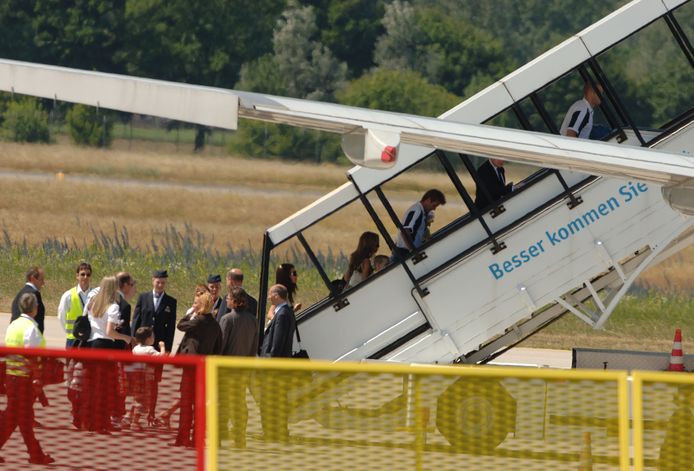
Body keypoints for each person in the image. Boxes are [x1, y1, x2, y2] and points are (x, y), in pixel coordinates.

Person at [0, 293, 54, 465]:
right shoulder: (31, 329)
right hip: (25, 380)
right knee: (18, 418)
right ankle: (36, 455)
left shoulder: (13, 325)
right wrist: (37, 379)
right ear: (35, 308)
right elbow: (31, 357)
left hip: (12, 377)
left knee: (19, 418)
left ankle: (36, 454)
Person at [173, 289, 222, 447]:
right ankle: (197, 438)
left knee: (186, 403)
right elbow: (218, 348)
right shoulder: (215, 325)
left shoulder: (197, 321)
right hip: (204, 367)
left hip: (191, 367)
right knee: (199, 405)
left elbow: (181, 325)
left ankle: (182, 438)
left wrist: (190, 313)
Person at [84, 276, 133, 434]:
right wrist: (126, 337)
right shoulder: (112, 307)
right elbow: (109, 332)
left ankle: (91, 421)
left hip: (92, 345)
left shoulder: (92, 302)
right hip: (105, 346)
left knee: (93, 387)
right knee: (104, 387)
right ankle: (102, 423)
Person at [218, 287, 259, 448]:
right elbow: (254, 347)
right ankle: (240, 438)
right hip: (243, 370)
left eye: (228, 298)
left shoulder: (227, 319)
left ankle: (219, 437)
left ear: (234, 301)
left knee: (222, 404)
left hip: (226, 370)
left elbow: (221, 346)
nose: (226, 301)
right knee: (240, 404)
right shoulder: (253, 320)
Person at [259, 284, 296, 442]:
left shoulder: (282, 314)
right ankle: (279, 432)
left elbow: (277, 343)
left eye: (270, 294)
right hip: (281, 365)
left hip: (274, 367)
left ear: (276, 295)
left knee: (269, 400)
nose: (268, 297)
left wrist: (269, 363)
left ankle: (271, 433)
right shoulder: (284, 311)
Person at [124, 326, 166, 431]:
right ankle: (135, 422)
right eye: (152, 336)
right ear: (148, 339)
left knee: (136, 398)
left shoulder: (135, 348)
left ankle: (128, 417)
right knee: (142, 401)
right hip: (145, 378)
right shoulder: (149, 349)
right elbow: (161, 357)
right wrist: (162, 347)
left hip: (135, 377)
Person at [132, 269, 177, 354]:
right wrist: (134, 339)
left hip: (159, 342)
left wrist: (167, 347)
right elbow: (136, 319)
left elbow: (171, 326)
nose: (160, 285)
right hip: (142, 341)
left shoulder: (171, 301)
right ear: (153, 281)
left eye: (163, 283)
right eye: (158, 282)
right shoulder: (143, 297)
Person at [393, 189, 446, 259]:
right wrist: (413, 252)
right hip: (404, 252)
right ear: (428, 200)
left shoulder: (422, 211)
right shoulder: (416, 211)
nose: (434, 209)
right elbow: (405, 232)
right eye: (434, 205)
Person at [57, 262, 92, 347]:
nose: (85, 277)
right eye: (82, 274)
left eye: (88, 274)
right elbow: (61, 316)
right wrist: (71, 332)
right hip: (73, 339)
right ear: (77, 276)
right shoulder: (68, 295)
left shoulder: (96, 295)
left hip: (90, 339)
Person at [11, 266, 46, 334]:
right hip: (30, 338)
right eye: (41, 279)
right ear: (33, 278)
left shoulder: (19, 294)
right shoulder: (33, 295)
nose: (43, 283)